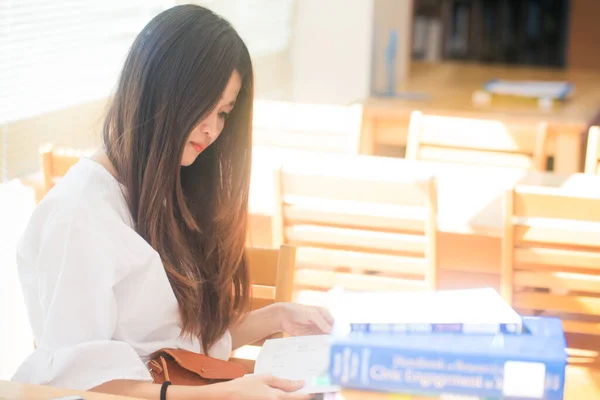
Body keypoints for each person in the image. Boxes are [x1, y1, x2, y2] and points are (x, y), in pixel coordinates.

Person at [12, 5, 333, 400]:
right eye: (206, 105)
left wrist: (277, 316)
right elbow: (82, 385)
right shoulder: (79, 215)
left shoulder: (160, 191)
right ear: (159, 89)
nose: (212, 129)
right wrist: (226, 394)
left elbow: (182, 351)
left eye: (223, 113)